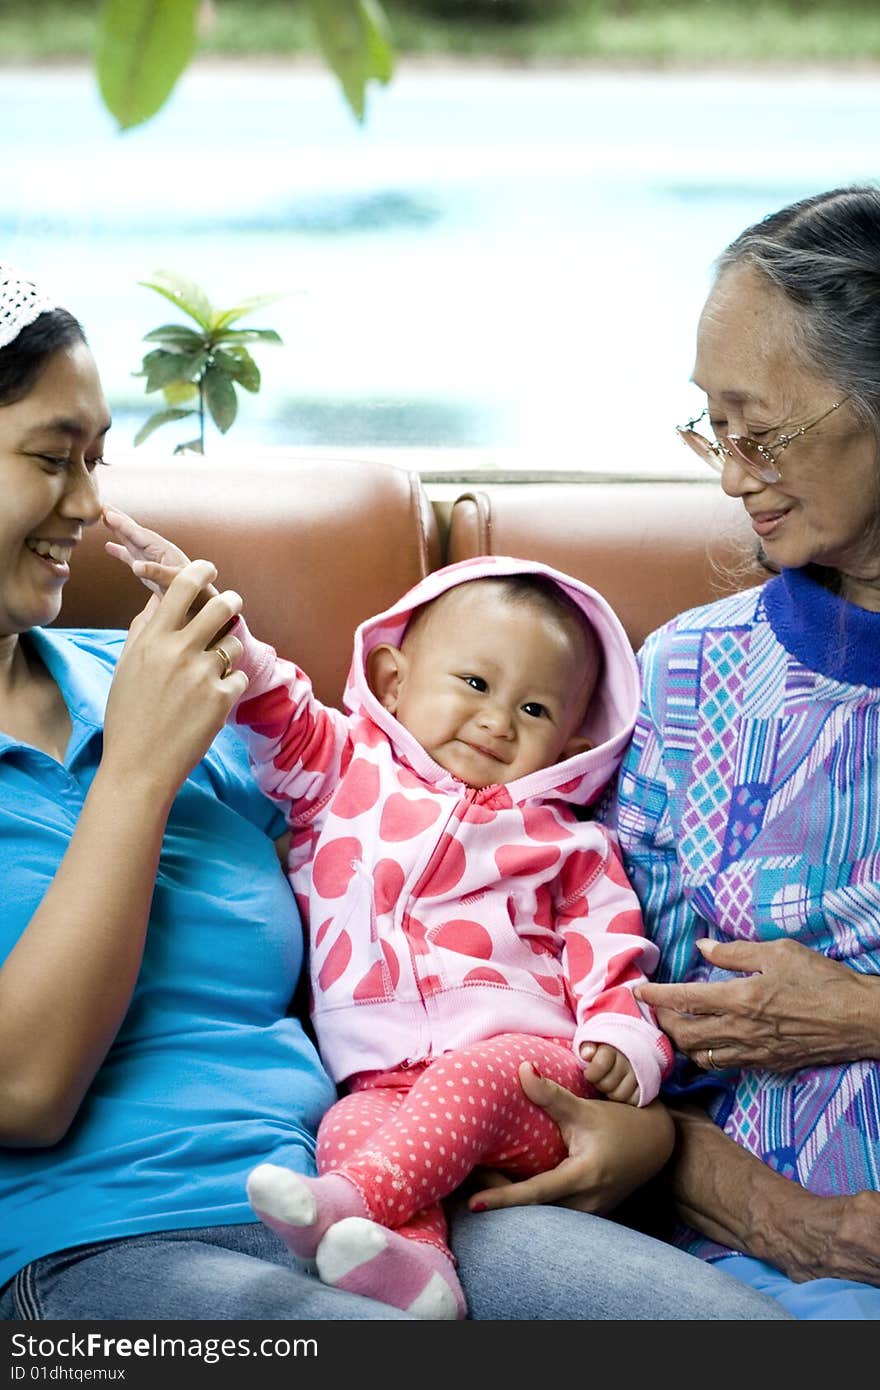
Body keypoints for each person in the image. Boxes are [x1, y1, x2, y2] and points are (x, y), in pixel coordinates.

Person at [0, 260, 791, 1324]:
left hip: (403, 1191)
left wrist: (637, 1128)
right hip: (95, 1240)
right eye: (55, 458)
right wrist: (137, 771)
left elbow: (399, 848)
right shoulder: (156, 708)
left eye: (100, 459)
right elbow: (24, 1095)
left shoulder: (154, 672)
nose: (94, 506)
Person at [474, 185, 880, 1321]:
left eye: (767, 430)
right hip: (729, 1252)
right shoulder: (692, 677)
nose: (729, 470)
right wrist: (778, 1217)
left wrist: (859, 1013)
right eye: (714, 424)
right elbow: (608, 1015)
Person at [104, 531, 675, 1318]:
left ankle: (352, 1199)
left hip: (529, 1075)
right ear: (392, 681)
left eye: (535, 708)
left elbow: (610, 946)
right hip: (382, 1079)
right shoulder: (342, 773)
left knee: (451, 1093)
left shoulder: (566, 840)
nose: (497, 719)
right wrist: (219, 630)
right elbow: (278, 709)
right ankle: (420, 1273)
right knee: (347, 1124)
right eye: (474, 682)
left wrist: (624, 1039)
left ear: (574, 741)